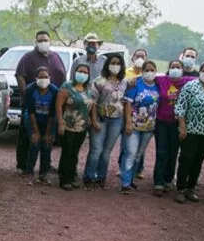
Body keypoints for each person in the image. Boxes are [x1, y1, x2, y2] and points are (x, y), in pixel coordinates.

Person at [14, 31, 67, 174]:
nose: (43, 42)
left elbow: (63, 78)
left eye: (45, 40)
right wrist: (26, 95)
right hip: (32, 105)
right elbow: (20, 75)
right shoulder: (28, 58)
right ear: (36, 42)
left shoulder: (56, 57)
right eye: (40, 40)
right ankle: (23, 165)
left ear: (50, 41)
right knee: (28, 136)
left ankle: (46, 166)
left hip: (51, 105)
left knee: (48, 138)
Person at [173, 62, 204, 203]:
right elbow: (180, 107)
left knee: (198, 161)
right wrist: (182, 127)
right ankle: (180, 189)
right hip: (191, 130)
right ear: (200, 72)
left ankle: (191, 188)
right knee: (186, 159)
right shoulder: (190, 86)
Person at [152, 60, 196, 197]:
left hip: (177, 123)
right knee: (161, 152)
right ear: (168, 69)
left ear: (183, 70)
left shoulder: (188, 81)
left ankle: (168, 180)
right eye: (172, 67)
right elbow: (144, 76)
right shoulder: (161, 80)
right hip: (161, 122)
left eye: (178, 67)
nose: (175, 69)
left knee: (173, 153)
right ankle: (158, 182)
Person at [83, 54, 127, 189]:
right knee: (96, 149)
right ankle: (89, 177)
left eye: (118, 63)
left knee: (107, 151)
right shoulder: (99, 81)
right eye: (112, 63)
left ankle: (101, 177)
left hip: (117, 120)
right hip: (100, 118)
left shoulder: (124, 82)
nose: (115, 66)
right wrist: (94, 119)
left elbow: (126, 102)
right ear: (107, 64)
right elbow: (93, 102)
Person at [120, 60, 159, 194]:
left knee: (138, 155)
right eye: (146, 70)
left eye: (152, 70)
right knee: (130, 153)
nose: (149, 72)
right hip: (134, 125)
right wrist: (128, 122)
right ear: (142, 71)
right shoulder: (135, 83)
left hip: (149, 127)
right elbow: (128, 104)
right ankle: (125, 183)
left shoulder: (158, 85)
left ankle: (131, 180)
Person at [56, 64, 94, 191]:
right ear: (75, 72)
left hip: (81, 127)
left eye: (85, 72)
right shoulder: (67, 87)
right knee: (67, 152)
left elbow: (92, 105)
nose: (82, 74)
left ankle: (72, 177)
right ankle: (64, 179)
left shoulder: (88, 90)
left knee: (75, 153)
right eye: (80, 71)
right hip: (68, 125)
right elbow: (58, 105)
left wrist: (92, 120)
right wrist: (60, 122)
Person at [23, 67, 59, 185]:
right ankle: (29, 172)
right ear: (36, 78)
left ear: (49, 78)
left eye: (46, 77)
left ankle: (43, 173)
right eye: (41, 77)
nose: (43, 79)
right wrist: (36, 132)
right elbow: (32, 112)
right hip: (32, 119)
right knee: (35, 143)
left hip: (48, 119)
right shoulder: (30, 90)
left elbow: (52, 114)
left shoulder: (54, 91)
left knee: (47, 144)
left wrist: (48, 133)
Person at [119, 48, 148, 177]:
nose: (140, 59)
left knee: (141, 145)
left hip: (143, 115)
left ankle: (138, 169)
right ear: (132, 58)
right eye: (137, 56)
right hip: (126, 110)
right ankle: (123, 167)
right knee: (126, 142)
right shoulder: (126, 72)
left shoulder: (149, 73)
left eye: (143, 56)